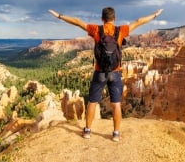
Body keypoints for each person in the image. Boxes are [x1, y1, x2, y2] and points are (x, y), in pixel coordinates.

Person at [48, 7, 163, 142]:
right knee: (116, 104)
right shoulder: (120, 30)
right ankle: (116, 134)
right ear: (114, 19)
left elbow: (77, 22)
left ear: (102, 19)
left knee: (92, 102)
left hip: (100, 72)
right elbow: (138, 21)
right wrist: (155, 14)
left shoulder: (96, 29)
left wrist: (59, 16)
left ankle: (87, 131)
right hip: (115, 73)